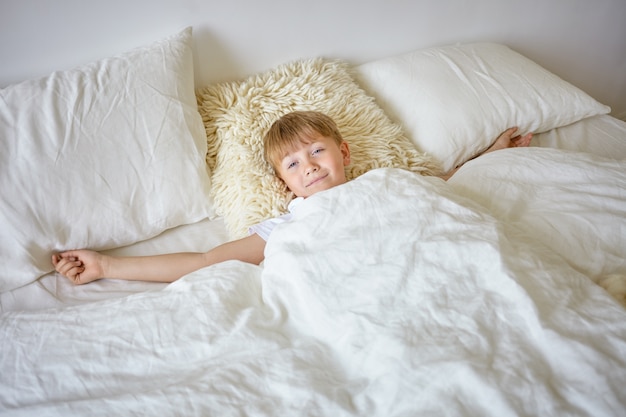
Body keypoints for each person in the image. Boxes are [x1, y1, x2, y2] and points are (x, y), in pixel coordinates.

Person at [53, 111, 532, 285]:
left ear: (342, 152)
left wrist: (491, 152)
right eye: (293, 164)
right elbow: (205, 259)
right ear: (286, 185)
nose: (309, 165)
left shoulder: (383, 181)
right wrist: (108, 266)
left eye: (317, 150)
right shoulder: (290, 224)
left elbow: (438, 185)